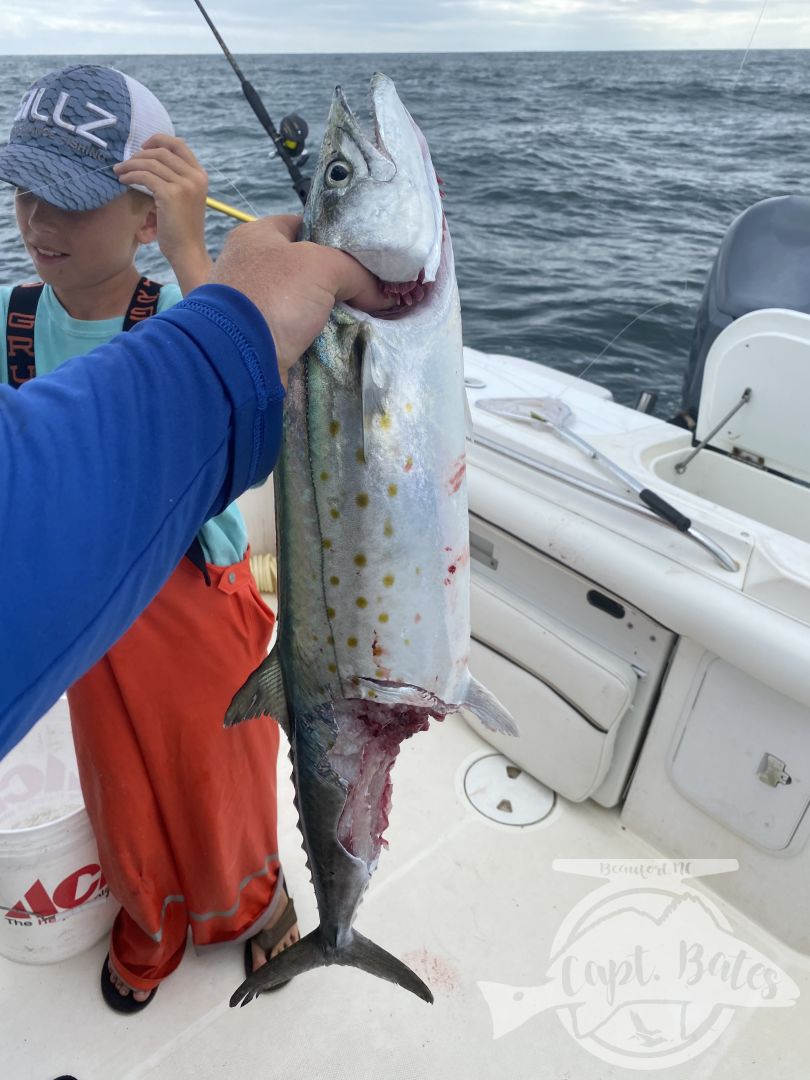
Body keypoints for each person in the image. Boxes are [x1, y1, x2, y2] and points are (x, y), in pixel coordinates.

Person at [0, 65, 388, 1012]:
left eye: (73, 200)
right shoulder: (14, 314)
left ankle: (256, 905)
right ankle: (150, 918)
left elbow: (257, 404)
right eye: (23, 191)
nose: (39, 221)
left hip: (195, 600)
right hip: (94, 613)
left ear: (146, 218)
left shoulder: (179, 308)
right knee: (117, 782)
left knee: (224, 774)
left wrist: (189, 254)